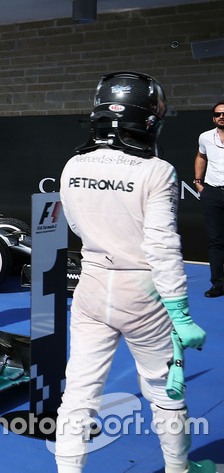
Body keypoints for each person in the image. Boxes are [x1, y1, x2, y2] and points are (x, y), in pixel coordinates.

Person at [55, 72, 215, 473]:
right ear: (148, 120)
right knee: (165, 390)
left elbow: (75, 225)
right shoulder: (157, 171)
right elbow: (162, 246)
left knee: (79, 390)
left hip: (91, 286)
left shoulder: (73, 164)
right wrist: (180, 312)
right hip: (142, 293)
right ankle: (179, 469)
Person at [193, 100, 224, 298]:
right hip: (212, 193)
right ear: (213, 117)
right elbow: (200, 157)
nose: (222, 116)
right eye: (218, 114)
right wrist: (198, 181)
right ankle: (218, 284)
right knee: (216, 241)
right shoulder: (205, 137)